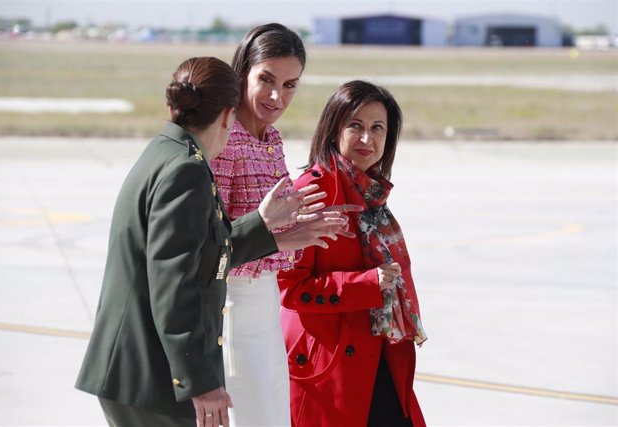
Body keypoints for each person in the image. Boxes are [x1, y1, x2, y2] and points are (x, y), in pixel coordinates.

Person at [75, 56, 348, 427]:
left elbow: (197, 251)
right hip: (150, 378)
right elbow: (174, 286)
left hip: (134, 374)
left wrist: (267, 231)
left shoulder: (165, 151)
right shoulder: (186, 170)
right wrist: (201, 383)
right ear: (226, 115)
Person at [209, 23, 363, 427]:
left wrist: (302, 226)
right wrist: (287, 235)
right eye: (266, 80)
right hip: (231, 306)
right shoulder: (225, 138)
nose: (278, 97)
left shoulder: (271, 138)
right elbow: (213, 242)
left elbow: (266, 225)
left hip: (265, 305)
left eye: (291, 84)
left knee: (273, 415)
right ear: (242, 70)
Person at [278, 80, 429, 427]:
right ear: (333, 130)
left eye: (378, 128)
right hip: (330, 367)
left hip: (377, 355)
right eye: (355, 126)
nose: (367, 139)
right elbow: (291, 288)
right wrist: (367, 284)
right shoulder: (313, 192)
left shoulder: (371, 194)